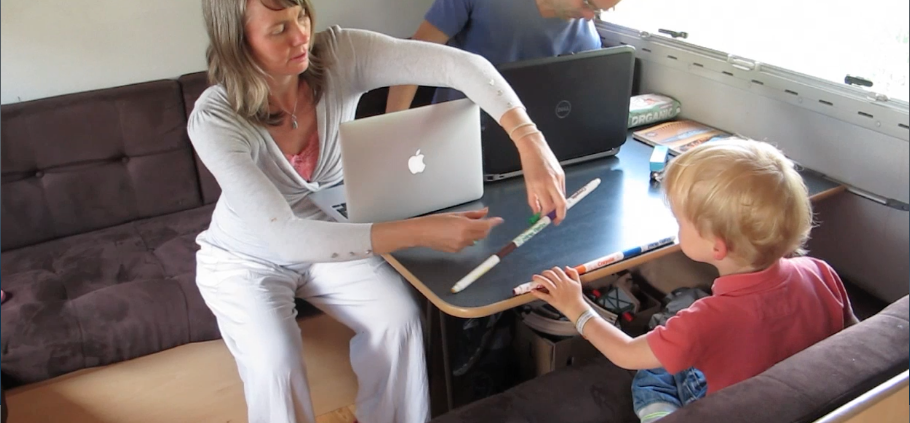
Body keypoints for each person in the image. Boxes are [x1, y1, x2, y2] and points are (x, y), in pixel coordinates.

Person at [188, 1, 570, 422]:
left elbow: (463, 66)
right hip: (248, 256)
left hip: (333, 232)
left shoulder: (339, 54)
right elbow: (286, 236)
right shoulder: (214, 118)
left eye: (302, 17)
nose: (301, 37)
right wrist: (421, 231)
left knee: (399, 320)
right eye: (279, 29)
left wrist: (530, 142)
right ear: (236, 42)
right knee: (274, 361)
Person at [527, 138, 859, 422]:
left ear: (717, 246)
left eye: (680, 222)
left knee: (651, 374)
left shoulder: (704, 321)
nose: (677, 228)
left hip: (731, 410)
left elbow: (626, 353)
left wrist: (576, 307)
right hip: (786, 397)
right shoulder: (820, 271)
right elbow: (850, 337)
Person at [385, 0, 624, 113]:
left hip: (526, 148)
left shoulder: (587, 39)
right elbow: (413, 59)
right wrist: (392, 132)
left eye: (599, 10)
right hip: (455, 136)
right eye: (586, 2)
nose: (589, 16)